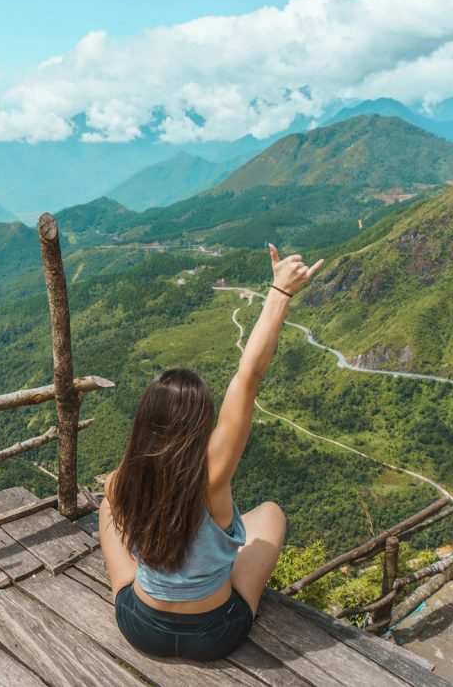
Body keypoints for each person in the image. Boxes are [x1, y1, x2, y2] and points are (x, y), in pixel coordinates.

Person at [99, 242, 324, 661]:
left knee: (107, 509)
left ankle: (136, 590)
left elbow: (133, 489)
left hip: (140, 628)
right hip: (216, 634)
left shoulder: (122, 482)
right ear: (202, 424)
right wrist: (280, 293)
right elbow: (248, 376)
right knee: (270, 512)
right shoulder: (212, 477)